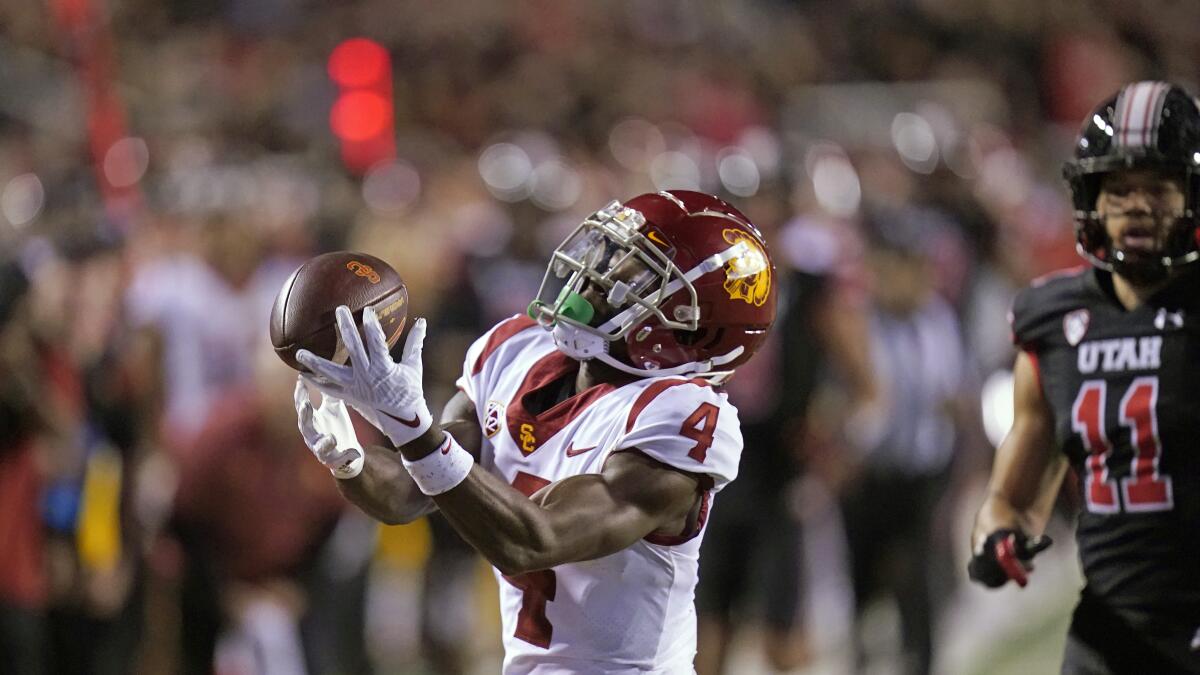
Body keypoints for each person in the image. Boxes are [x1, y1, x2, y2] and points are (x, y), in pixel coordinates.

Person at [295, 190, 777, 673]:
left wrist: (415, 429)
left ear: (692, 324)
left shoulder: (679, 416)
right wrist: (352, 459)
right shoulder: (516, 349)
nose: (591, 279)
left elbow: (532, 541)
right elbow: (409, 490)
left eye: (631, 277)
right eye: (604, 254)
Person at [969, 81, 1200, 674]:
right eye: (1119, 190)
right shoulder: (1053, 320)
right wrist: (999, 538)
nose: (1137, 207)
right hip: (1108, 628)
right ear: (1091, 199)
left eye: (1158, 189)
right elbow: (1013, 499)